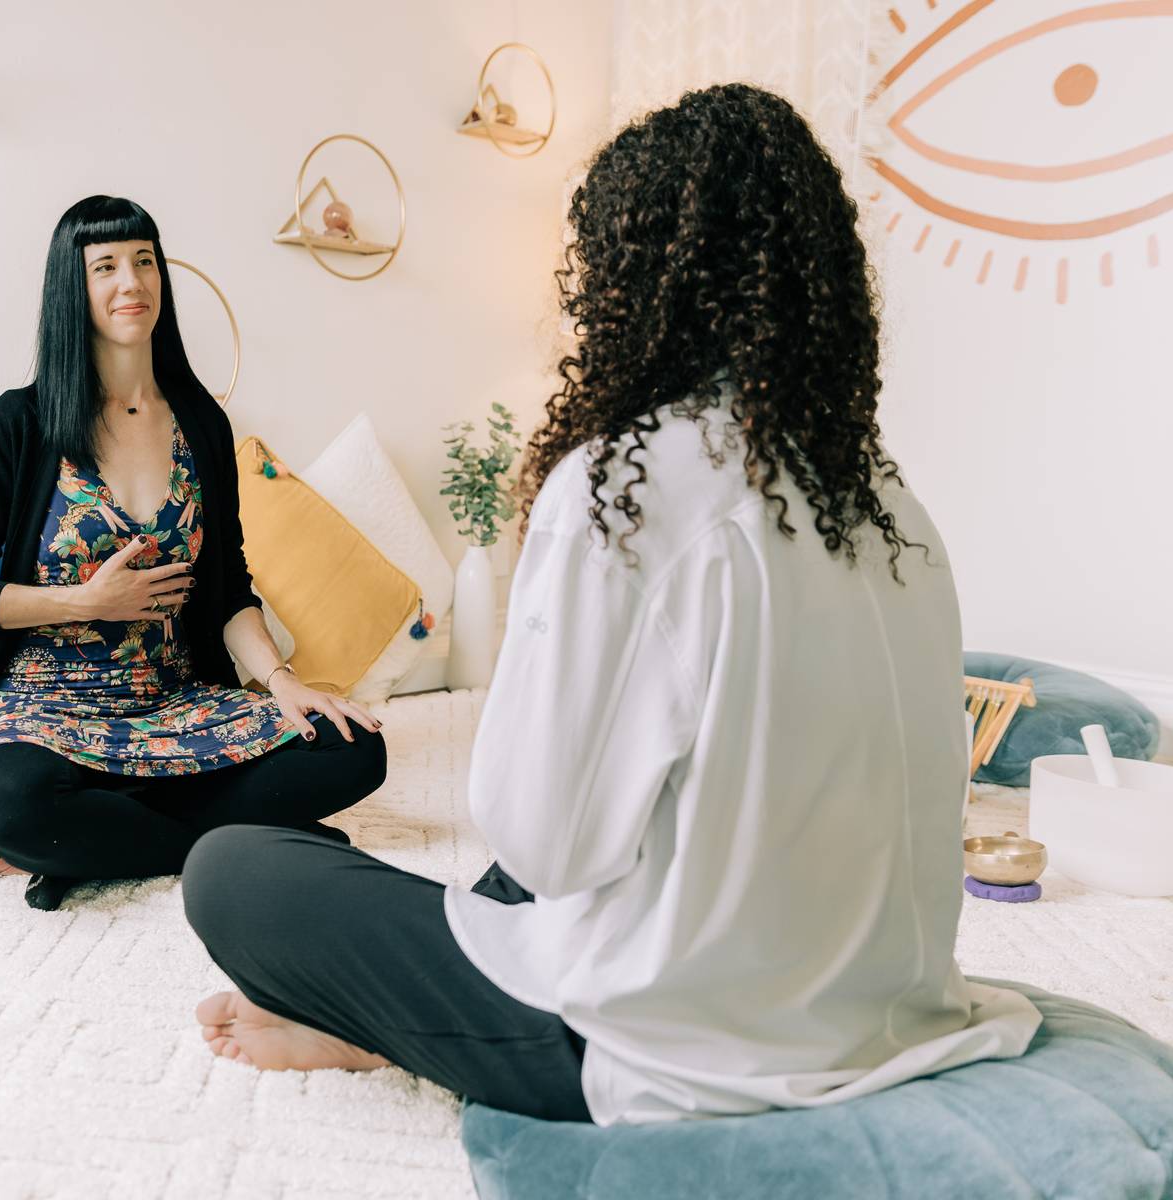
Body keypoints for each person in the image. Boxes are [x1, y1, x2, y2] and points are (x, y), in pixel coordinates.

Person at [180, 85, 1041, 1124]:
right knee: (533, 852)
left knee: (236, 869)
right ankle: (380, 1022)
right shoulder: (890, 502)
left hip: (677, 1049)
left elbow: (552, 847)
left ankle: (385, 1029)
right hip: (891, 1008)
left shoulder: (621, 486)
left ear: (637, 286)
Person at [0, 195, 385, 911]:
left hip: (171, 704)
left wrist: (283, 683)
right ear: (74, 287)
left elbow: (228, 589)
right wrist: (83, 603)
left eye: (144, 261)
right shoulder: (19, 423)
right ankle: (213, 829)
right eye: (106, 266)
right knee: (12, 804)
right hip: (44, 710)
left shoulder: (203, 424)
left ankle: (102, 841)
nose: (132, 282)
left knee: (355, 748)